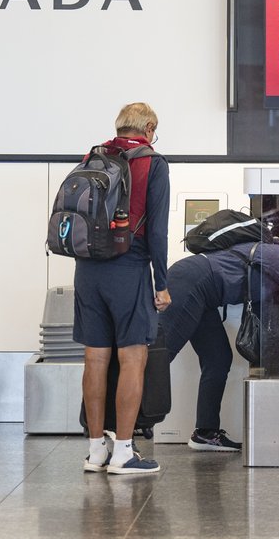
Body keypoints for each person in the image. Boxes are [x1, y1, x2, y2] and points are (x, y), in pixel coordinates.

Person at [158, 231, 279, 452]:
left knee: (218, 358)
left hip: (203, 294)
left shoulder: (273, 254)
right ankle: (125, 431)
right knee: (159, 357)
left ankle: (205, 433)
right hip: (190, 282)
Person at [75, 102, 171, 475]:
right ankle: (124, 452)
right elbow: (157, 231)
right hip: (128, 267)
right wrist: (161, 283)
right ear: (148, 128)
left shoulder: (93, 156)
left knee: (95, 358)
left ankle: (95, 451)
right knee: (133, 357)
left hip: (87, 268)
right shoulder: (153, 163)